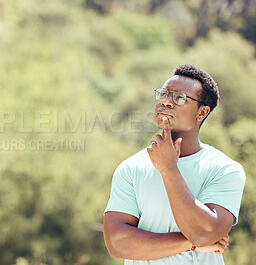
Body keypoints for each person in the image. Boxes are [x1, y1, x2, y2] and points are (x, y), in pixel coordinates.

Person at [103, 64, 246, 264]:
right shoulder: (130, 168)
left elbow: (206, 232)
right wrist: (192, 243)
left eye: (179, 98)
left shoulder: (224, 169)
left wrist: (169, 169)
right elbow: (117, 244)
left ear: (202, 112)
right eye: (163, 94)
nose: (166, 103)